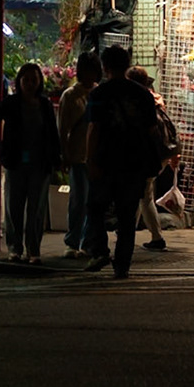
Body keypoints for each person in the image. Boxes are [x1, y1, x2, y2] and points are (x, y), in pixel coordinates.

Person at [81, 44, 167, 280]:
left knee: (95, 208)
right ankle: (122, 266)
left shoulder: (99, 94)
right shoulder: (142, 95)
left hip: (106, 161)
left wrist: (90, 160)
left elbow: (93, 129)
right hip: (134, 164)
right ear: (127, 64)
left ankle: (99, 250)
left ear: (104, 67)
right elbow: (152, 130)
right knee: (127, 216)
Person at [0, 62, 60, 264]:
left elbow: (52, 133)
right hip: (16, 162)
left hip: (39, 163)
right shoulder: (11, 103)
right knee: (14, 207)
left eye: (34, 80)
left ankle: (34, 250)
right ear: (19, 82)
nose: (30, 84)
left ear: (40, 81)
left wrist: (56, 158)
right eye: (26, 80)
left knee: (36, 209)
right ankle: (15, 248)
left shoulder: (45, 104)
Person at [125, 66, 175, 252]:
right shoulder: (155, 98)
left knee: (143, 194)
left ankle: (153, 236)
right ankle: (136, 232)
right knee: (144, 193)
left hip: (148, 154)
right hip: (160, 153)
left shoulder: (140, 100)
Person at [56, 52, 99, 259]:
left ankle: (86, 242)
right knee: (79, 200)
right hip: (78, 155)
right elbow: (62, 128)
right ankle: (73, 241)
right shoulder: (71, 95)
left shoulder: (99, 93)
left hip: (96, 156)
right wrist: (64, 154)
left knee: (93, 201)